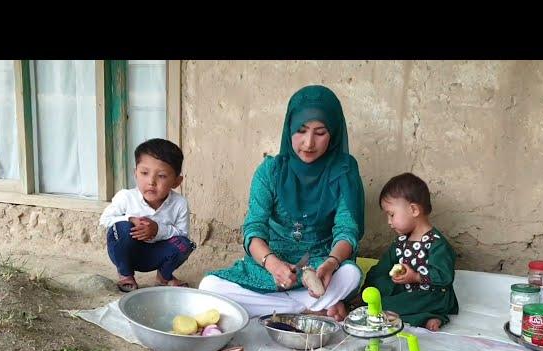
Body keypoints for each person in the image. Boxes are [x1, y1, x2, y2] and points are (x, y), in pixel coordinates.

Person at [199, 85, 365, 319]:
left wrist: (331, 263)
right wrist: (273, 264)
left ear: (334, 133)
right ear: (289, 128)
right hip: (270, 264)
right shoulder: (270, 172)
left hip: (318, 265)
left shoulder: (344, 172)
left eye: (320, 133)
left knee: (350, 274)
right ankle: (307, 308)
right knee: (209, 287)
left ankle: (284, 306)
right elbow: (254, 228)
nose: (308, 143)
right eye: (301, 130)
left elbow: (347, 231)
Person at [328, 172, 458, 331]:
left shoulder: (436, 244)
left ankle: (432, 316)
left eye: (391, 215)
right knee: (383, 284)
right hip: (406, 292)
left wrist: (416, 277)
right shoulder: (402, 241)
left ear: (413, 210)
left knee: (391, 305)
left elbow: (445, 277)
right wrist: (368, 289)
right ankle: (362, 303)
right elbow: (383, 267)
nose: (389, 222)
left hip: (432, 296)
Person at [99, 138, 195, 292]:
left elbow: (182, 234)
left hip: (157, 255)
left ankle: (164, 276)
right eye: (144, 173)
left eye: (162, 176)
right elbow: (104, 220)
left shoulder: (180, 204)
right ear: (135, 173)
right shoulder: (126, 197)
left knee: (185, 244)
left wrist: (158, 230)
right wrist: (129, 219)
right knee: (121, 227)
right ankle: (126, 275)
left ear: (177, 181)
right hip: (128, 252)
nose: (151, 181)